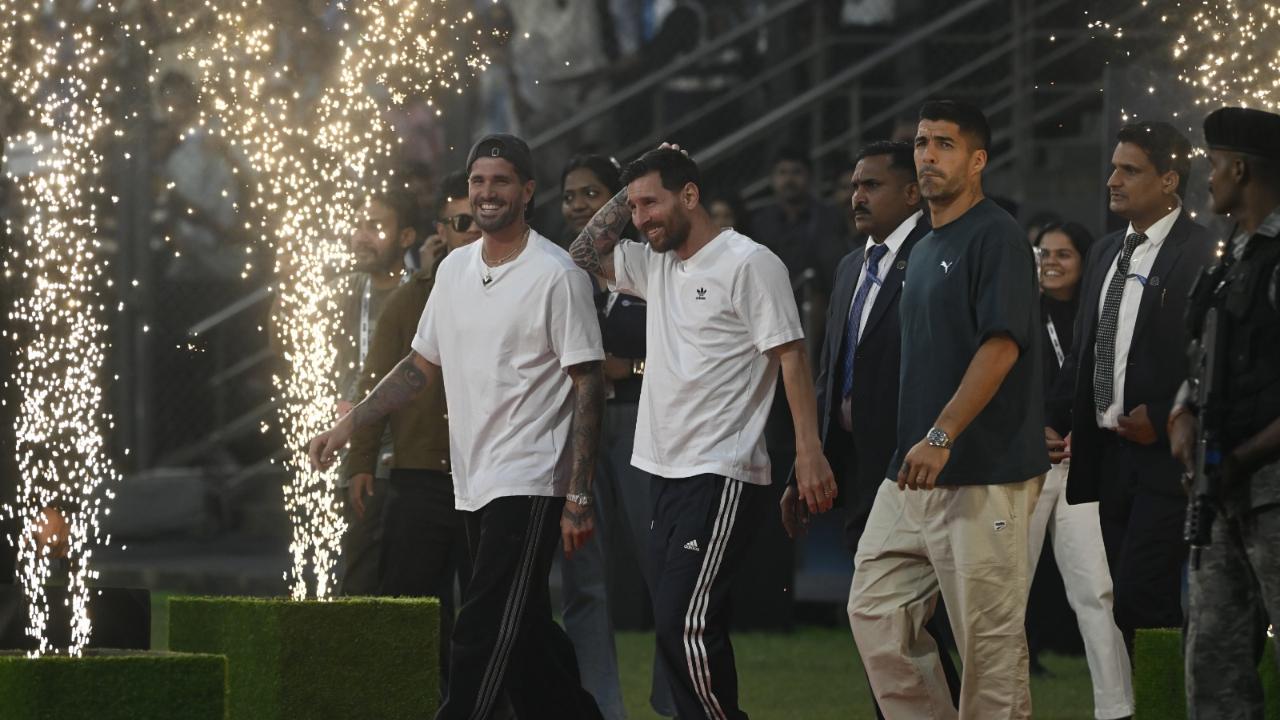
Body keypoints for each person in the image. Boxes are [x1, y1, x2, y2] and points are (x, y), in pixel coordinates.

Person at [310, 133, 605, 720]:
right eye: (477, 181)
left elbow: (587, 382)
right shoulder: (454, 273)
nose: (486, 193)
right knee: (526, 639)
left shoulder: (556, 274)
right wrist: (352, 426)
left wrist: (578, 492)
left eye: (500, 181)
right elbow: (419, 367)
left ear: (527, 190)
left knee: (481, 626)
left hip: (529, 481)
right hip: (471, 480)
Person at [569, 145, 837, 720]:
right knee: (685, 623)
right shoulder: (655, 262)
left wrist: (809, 452)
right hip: (661, 470)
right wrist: (633, 186)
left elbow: (792, 357)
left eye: (652, 202)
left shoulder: (749, 262)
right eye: (633, 207)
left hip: (720, 471)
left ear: (690, 195)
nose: (640, 218)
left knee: (681, 620)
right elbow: (584, 250)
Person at [848, 100, 1048, 719]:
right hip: (913, 471)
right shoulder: (930, 242)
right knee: (875, 611)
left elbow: (1002, 344)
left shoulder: (998, 236)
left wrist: (942, 433)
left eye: (944, 144)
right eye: (921, 143)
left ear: (978, 159)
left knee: (987, 648)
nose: (928, 155)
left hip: (980, 469)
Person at [779, 140, 962, 718]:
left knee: (938, 629)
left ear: (912, 192)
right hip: (863, 472)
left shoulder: (938, 256)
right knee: (881, 626)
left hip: (927, 472)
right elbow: (834, 374)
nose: (857, 196)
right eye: (854, 186)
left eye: (872, 185)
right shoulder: (852, 264)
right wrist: (805, 465)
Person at [1051, 121, 1215, 648]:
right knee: (1128, 599)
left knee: (1145, 595)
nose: (1112, 180)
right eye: (1113, 167)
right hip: (1109, 453)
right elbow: (1084, 351)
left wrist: (1168, 409)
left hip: (1169, 452)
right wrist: (1050, 418)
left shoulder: (1201, 251)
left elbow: (1210, 357)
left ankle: (1175, 703)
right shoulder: (1104, 252)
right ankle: (1167, 702)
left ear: (1169, 180)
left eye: (1129, 170)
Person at [345, 171, 479, 689]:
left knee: (491, 606)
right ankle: (418, 698)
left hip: (489, 472)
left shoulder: (526, 285)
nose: (470, 228)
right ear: (440, 231)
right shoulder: (413, 298)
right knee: (413, 606)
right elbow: (375, 382)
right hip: (421, 470)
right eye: (458, 221)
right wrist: (359, 462)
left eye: (474, 219)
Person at [1173, 106, 1280, 719]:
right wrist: (1182, 416)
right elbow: (1203, 360)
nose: (1207, 176)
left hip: (1267, 487)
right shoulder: (1229, 262)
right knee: (1212, 666)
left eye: (1214, 164)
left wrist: (1241, 456)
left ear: (1240, 169)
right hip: (1222, 494)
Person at [1030, 222, 1134, 719]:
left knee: (1096, 589)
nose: (1050, 262)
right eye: (1043, 252)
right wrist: (1034, 429)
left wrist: (1083, 432)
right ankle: (1000, 707)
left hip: (1080, 463)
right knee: (1001, 594)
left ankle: (1117, 709)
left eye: (1063, 254)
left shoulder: (1104, 312)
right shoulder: (1020, 311)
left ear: (1086, 260)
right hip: (1024, 463)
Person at [556, 153, 642, 720]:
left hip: (645, 426)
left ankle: (683, 699)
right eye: (570, 196)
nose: (579, 205)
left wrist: (630, 369)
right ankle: (600, 709)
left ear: (618, 202)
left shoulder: (656, 262)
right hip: (578, 432)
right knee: (583, 580)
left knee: (666, 573)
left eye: (592, 193)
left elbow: (696, 356)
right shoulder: (559, 272)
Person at [332, 189, 419, 596]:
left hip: (401, 453)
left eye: (376, 226)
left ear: (406, 237)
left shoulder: (421, 291)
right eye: (358, 225)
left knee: (397, 579)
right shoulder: (342, 292)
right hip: (353, 446)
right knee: (357, 570)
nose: (362, 236)